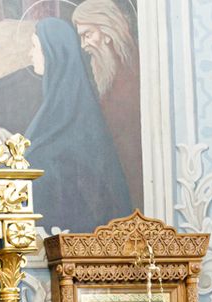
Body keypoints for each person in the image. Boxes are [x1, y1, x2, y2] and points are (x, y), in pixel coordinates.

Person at [25, 17, 132, 233]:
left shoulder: (71, 118)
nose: (30, 54)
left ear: (53, 54)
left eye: (34, 46)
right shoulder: (57, 110)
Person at [72, 0, 143, 209]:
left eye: (88, 35)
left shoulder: (132, 73)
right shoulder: (109, 73)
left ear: (107, 32)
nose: (84, 45)